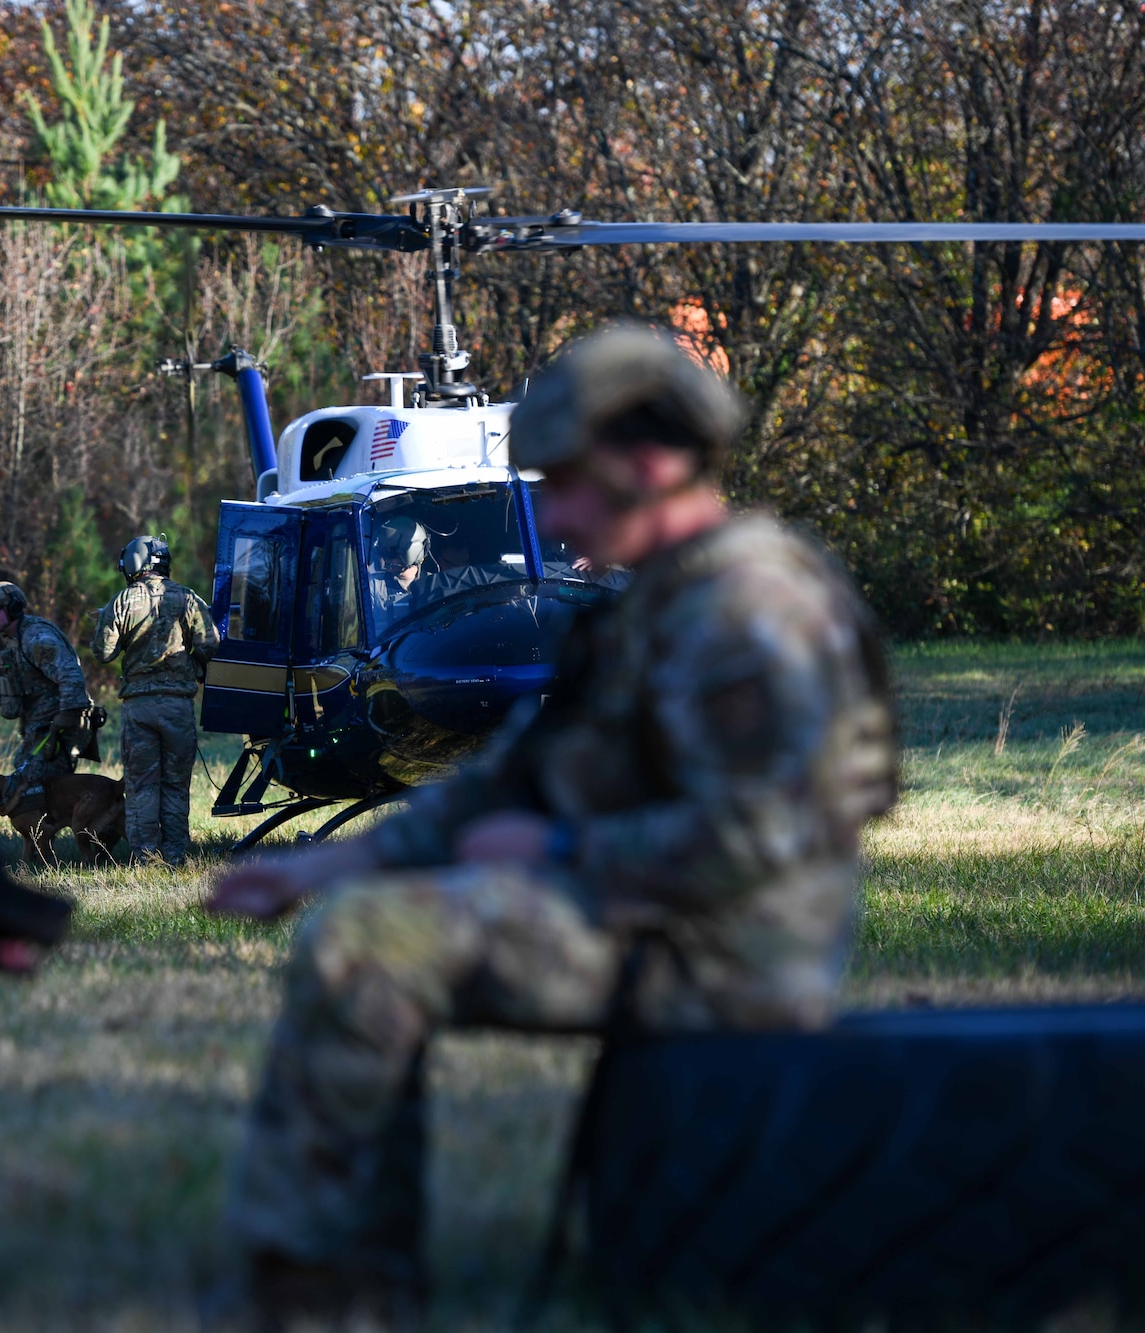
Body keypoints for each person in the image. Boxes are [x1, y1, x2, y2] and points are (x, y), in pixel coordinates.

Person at [205, 323, 899, 1324]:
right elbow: (514, 778)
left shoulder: (751, 608)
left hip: (729, 944)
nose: (549, 517)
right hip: (651, 907)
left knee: (368, 949)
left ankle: (314, 1284)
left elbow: (764, 839)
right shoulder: (656, 605)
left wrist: (565, 850)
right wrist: (332, 863)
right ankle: (343, 1268)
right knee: (358, 912)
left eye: (564, 483)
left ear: (649, 465)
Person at [92, 535, 220, 865]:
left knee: (142, 787)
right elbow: (210, 644)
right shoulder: (189, 598)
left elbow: (103, 652)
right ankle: (175, 856)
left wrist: (104, 620)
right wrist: (189, 663)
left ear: (134, 563)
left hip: (139, 707)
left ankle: (147, 859)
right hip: (178, 706)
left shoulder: (122, 600)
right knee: (176, 785)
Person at [0, 581, 91, 811]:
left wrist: (63, 721)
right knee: (29, 779)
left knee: (33, 787)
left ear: (13, 608)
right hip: (40, 728)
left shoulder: (37, 639)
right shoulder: (14, 639)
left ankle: (50, 837)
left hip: (56, 731)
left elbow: (72, 678)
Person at [368, 517, 430, 620]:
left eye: (389, 553)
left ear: (411, 552)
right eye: (383, 552)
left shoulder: (435, 584)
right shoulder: (373, 587)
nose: (385, 559)